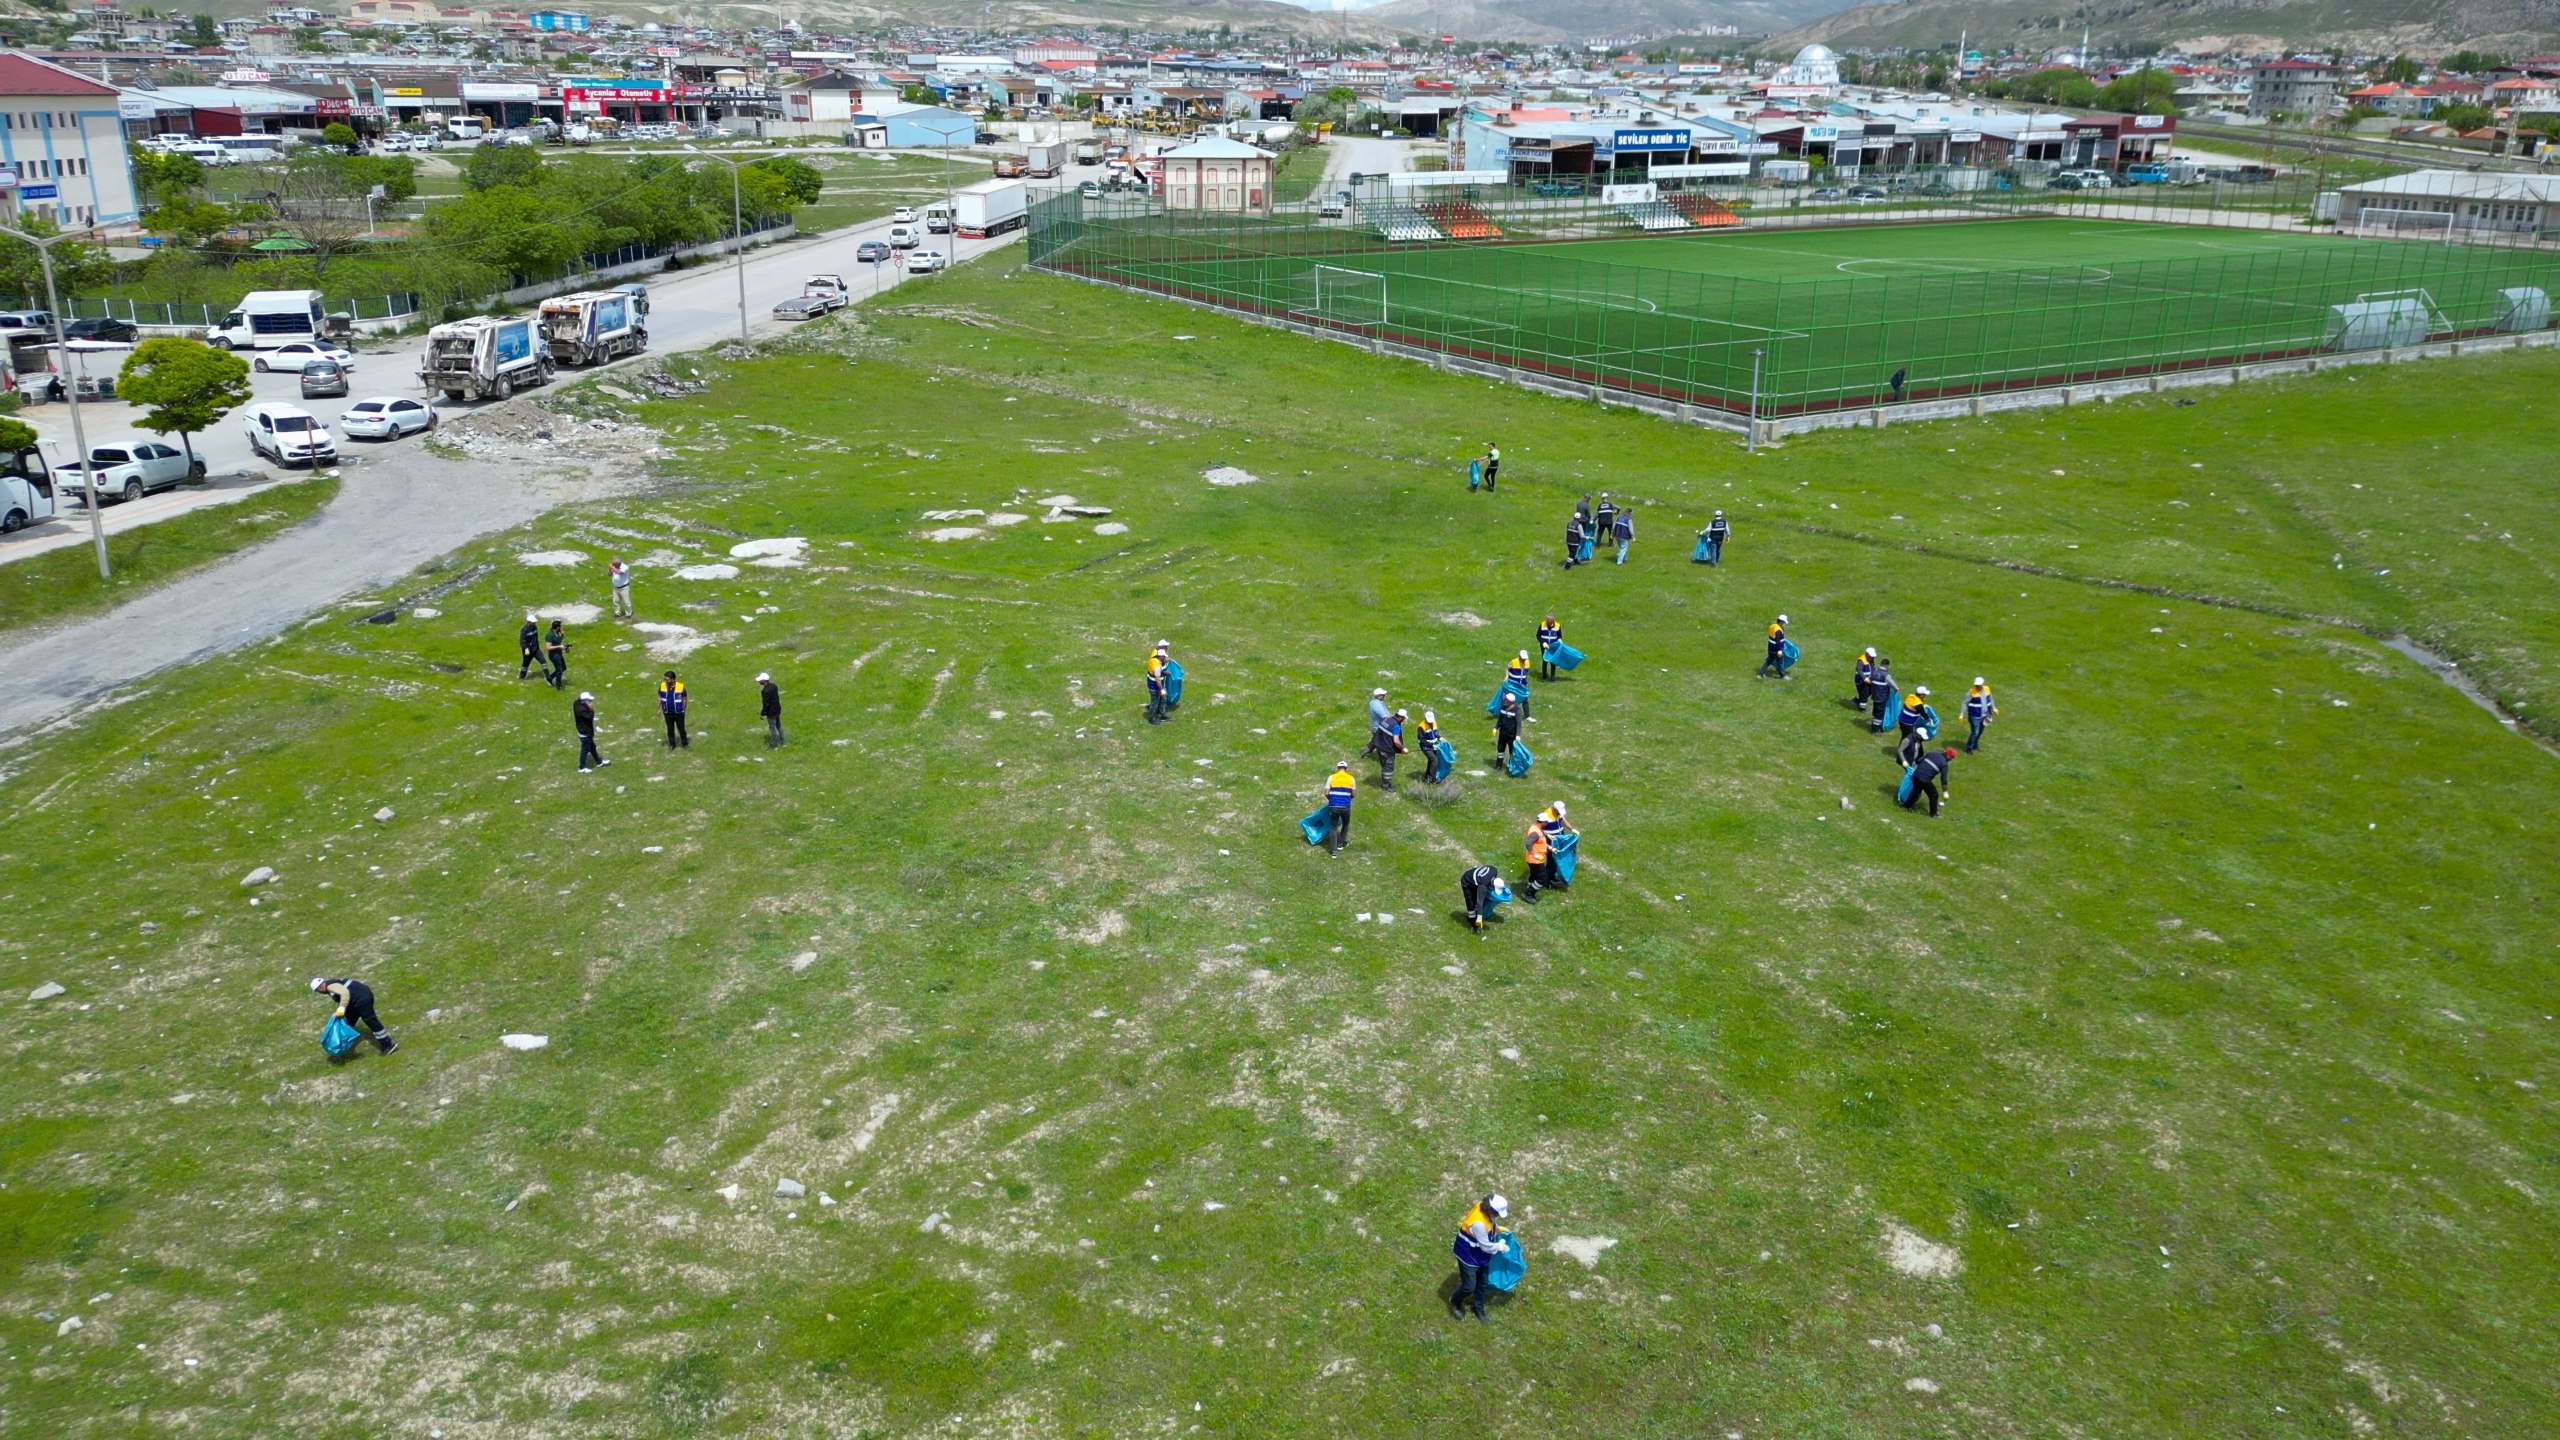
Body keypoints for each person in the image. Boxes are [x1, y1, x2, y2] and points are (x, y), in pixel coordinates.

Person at [1451, 1193, 1511, 1320]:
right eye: (1497, 1213)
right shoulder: (1478, 1223)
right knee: (1469, 1286)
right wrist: (1500, 1247)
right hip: (1468, 1255)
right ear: (1490, 1209)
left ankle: (1478, 1307)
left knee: (1482, 1283)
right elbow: (1485, 1246)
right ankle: (1455, 1302)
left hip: (1480, 1255)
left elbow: (1488, 1223)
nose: (1497, 1216)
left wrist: (1497, 1228)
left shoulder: (1482, 1207)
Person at [310, 975, 397, 1055]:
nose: (319, 992)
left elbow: (344, 993)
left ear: (320, 988)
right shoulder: (331, 984)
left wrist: (341, 1008)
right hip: (355, 1000)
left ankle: (388, 1044)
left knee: (370, 1020)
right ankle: (345, 1046)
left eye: (317, 991)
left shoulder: (330, 986)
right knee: (347, 1021)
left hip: (362, 998)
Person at [1903, 747, 1954, 816]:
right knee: (1933, 795)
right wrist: (1945, 791)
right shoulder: (1944, 764)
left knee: (1916, 790)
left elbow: (1918, 761)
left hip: (1915, 775)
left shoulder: (1931, 753)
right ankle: (1933, 814)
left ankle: (1906, 807)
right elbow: (1943, 779)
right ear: (1948, 757)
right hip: (1924, 779)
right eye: (1951, 758)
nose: (1951, 760)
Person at [1367, 708, 1406, 789]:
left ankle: (1384, 780)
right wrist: (1402, 748)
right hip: (1388, 750)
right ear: (1401, 718)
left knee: (1384, 765)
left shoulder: (1386, 720)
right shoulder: (1396, 726)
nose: (1404, 720)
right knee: (1388, 768)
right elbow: (1396, 741)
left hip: (1379, 746)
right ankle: (1386, 786)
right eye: (1404, 718)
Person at [1324, 761, 1357, 856]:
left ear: (1338, 768)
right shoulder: (1351, 778)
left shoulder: (1331, 777)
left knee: (1333, 827)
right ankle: (1341, 844)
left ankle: (1334, 851)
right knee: (1346, 823)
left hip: (1333, 806)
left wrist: (1331, 800)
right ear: (1346, 768)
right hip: (1345, 806)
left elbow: (1326, 793)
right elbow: (1354, 794)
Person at [1459, 863, 1501, 932]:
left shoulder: (1494, 871)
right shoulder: (1483, 885)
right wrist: (1479, 917)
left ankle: (1476, 914)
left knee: (1476, 897)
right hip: (1466, 881)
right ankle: (1471, 919)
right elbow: (1480, 902)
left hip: (1476, 879)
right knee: (1470, 901)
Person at [1522, 821, 1555, 901]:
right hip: (1535, 860)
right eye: (1546, 823)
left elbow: (1541, 843)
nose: (1546, 824)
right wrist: (1535, 855)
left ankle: (1529, 887)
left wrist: (1550, 848)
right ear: (1542, 822)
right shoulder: (1535, 832)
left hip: (1533, 859)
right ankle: (1528, 893)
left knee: (1534, 876)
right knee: (1542, 878)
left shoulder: (1537, 829)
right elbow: (1528, 843)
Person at [657, 669, 689, 749]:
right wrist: (658, 709)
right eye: (665, 679)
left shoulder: (680, 686)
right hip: (667, 712)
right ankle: (672, 744)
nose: (665, 681)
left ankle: (684, 743)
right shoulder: (662, 686)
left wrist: (683, 709)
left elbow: (684, 698)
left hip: (678, 713)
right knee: (670, 729)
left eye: (667, 679)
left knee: (681, 729)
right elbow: (659, 698)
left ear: (673, 679)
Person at [1964, 677, 1998, 753]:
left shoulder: (1987, 689)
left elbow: (1991, 699)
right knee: (1975, 732)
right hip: (1974, 716)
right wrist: (1961, 713)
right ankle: (1969, 748)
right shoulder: (1971, 693)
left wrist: (1994, 708)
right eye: (1976, 685)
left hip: (1986, 715)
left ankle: (1975, 744)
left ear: (1982, 684)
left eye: (1979, 685)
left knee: (1980, 732)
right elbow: (1964, 703)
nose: (1977, 686)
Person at [574, 690, 604, 771]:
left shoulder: (577, 703)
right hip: (585, 732)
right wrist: (591, 709)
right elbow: (590, 717)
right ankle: (582, 767)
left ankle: (599, 762)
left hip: (584, 731)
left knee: (592, 747)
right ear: (585, 701)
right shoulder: (582, 710)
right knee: (585, 750)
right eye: (589, 701)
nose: (591, 702)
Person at [1418, 710, 1451, 784]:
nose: (1430, 722)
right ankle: (1431, 779)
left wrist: (1440, 738)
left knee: (1431, 761)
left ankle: (1427, 777)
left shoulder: (1434, 723)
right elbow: (1421, 740)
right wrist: (1432, 745)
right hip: (1426, 747)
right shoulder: (1421, 727)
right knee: (1434, 761)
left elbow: (1435, 733)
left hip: (1434, 746)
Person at [1493, 691, 1522, 768]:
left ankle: (1511, 766)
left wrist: (1518, 735)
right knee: (1500, 750)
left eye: (1506, 699)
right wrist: (1496, 728)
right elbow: (1500, 719)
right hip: (1502, 734)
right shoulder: (1503, 708)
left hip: (1511, 735)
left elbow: (1519, 724)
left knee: (1512, 751)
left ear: (1510, 701)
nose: (1504, 700)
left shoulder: (1517, 710)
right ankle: (1498, 765)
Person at [759, 672, 785, 748]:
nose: (759, 681)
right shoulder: (774, 686)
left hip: (771, 712)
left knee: (772, 728)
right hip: (777, 709)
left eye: (760, 680)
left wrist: (762, 713)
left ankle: (774, 745)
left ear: (764, 681)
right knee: (778, 725)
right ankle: (783, 742)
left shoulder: (765, 691)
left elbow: (766, 704)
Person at [1145, 649, 1170, 725]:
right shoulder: (1157, 666)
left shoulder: (1153, 660)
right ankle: (1151, 718)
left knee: (1162, 699)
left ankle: (1162, 714)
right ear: (1161, 657)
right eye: (1164, 657)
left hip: (1152, 685)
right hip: (1154, 687)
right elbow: (1157, 679)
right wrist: (1161, 689)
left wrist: (1163, 672)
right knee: (1154, 703)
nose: (1165, 658)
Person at [543, 618, 568, 689]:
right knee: (559, 670)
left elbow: (558, 641)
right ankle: (558, 686)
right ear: (557, 628)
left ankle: (549, 678)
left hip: (558, 653)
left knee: (563, 668)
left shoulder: (556, 633)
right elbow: (548, 647)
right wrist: (559, 646)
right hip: (554, 655)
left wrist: (562, 636)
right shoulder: (550, 635)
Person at [1853, 647, 1877, 715]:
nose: (1872, 658)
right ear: (1866, 654)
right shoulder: (1861, 660)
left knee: (1871, 691)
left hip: (1869, 679)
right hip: (1861, 681)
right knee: (1864, 693)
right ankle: (1862, 708)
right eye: (1871, 656)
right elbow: (1859, 670)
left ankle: (1857, 699)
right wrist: (1864, 678)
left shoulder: (1871, 659)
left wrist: (1873, 676)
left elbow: (1872, 668)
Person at [517, 613, 542, 680]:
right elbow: (522, 641)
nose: (535, 623)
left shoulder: (535, 628)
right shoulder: (524, 630)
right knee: (525, 664)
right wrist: (525, 648)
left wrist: (537, 647)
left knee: (543, 662)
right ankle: (522, 677)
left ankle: (548, 677)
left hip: (535, 649)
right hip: (528, 650)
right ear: (529, 622)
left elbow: (536, 638)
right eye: (533, 622)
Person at [1537, 617, 1562, 681]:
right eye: (1546, 621)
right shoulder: (1542, 625)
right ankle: (1544, 676)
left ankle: (1552, 676)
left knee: (1553, 660)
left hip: (1553, 646)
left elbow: (1559, 635)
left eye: (1548, 622)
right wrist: (1543, 643)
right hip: (1544, 646)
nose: (1547, 622)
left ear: (1552, 621)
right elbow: (1538, 635)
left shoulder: (1558, 626)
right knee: (1544, 660)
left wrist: (1559, 639)